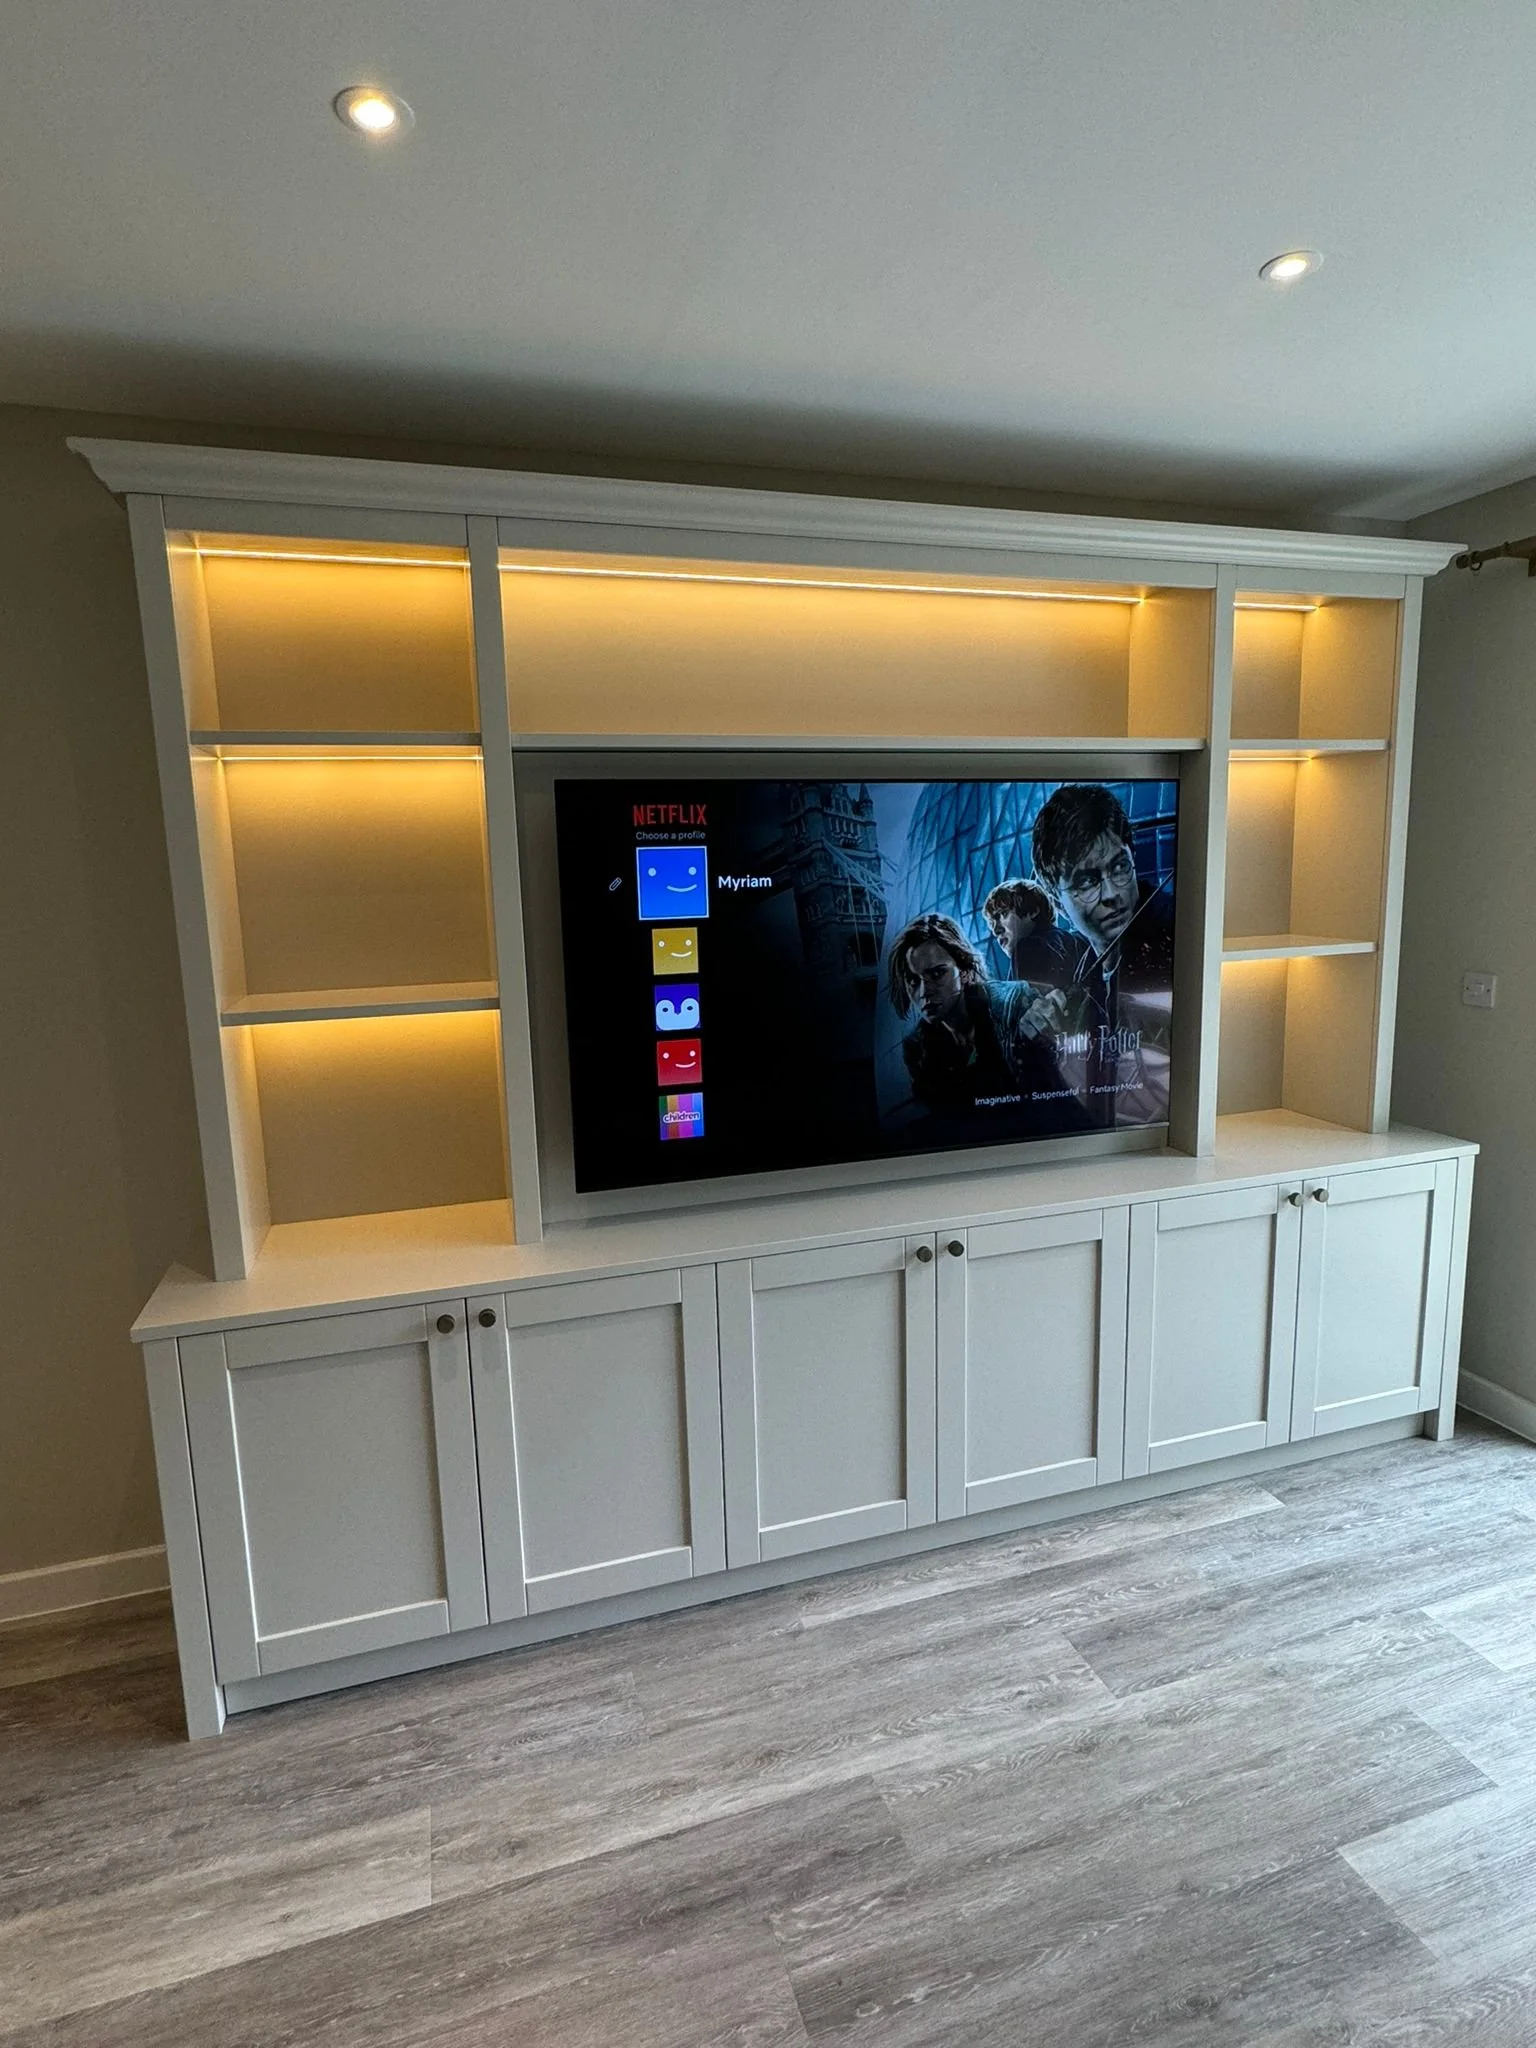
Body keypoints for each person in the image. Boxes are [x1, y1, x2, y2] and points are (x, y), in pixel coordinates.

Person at [1030, 784, 1174, 1124]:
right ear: (1056, 901)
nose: (1111, 894)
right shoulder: (1081, 981)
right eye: (1086, 882)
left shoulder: (1176, 934)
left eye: (1120, 867)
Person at [886, 913, 1086, 1129]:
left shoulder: (1014, 1004)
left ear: (964, 971)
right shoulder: (917, 1048)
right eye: (913, 981)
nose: (925, 992)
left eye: (937, 974)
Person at [982, 877, 1089, 988]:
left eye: (1003, 914)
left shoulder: (1028, 947)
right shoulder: (1080, 940)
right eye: (992, 923)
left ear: (1033, 910)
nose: (996, 930)